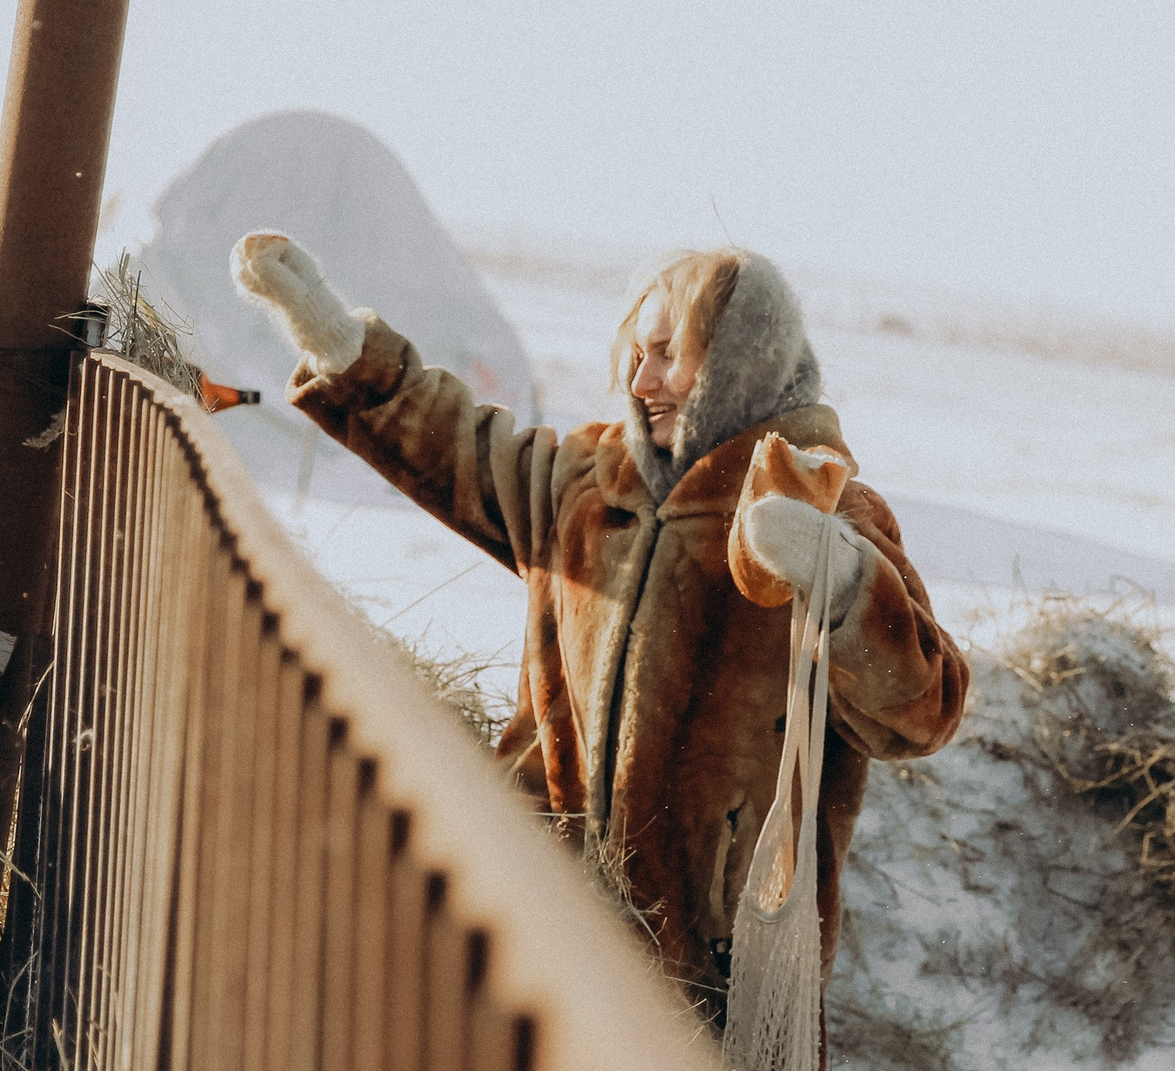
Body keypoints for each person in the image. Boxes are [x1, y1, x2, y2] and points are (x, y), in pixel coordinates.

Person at [233, 232, 967, 1026]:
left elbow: (924, 708)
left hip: (710, 1001)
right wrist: (341, 344)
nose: (638, 379)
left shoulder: (826, 510)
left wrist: (840, 578)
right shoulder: (588, 479)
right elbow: (459, 450)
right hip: (528, 938)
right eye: (634, 352)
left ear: (737, 363)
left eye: (666, 354)